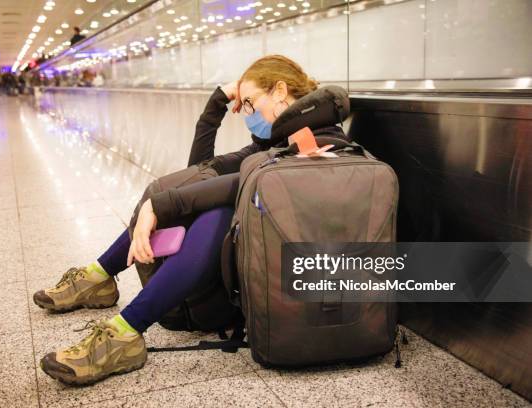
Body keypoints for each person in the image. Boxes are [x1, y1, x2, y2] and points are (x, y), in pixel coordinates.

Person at [36, 55, 347, 385]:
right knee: (195, 201)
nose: (248, 116)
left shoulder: (319, 142)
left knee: (217, 213)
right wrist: (216, 105)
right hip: (254, 269)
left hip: (283, 278)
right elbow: (199, 173)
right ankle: (99, 278)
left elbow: (235, 185)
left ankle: (123, 331)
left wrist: (158, 205)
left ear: (281, 90)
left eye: (250, 104)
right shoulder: (275, 140)